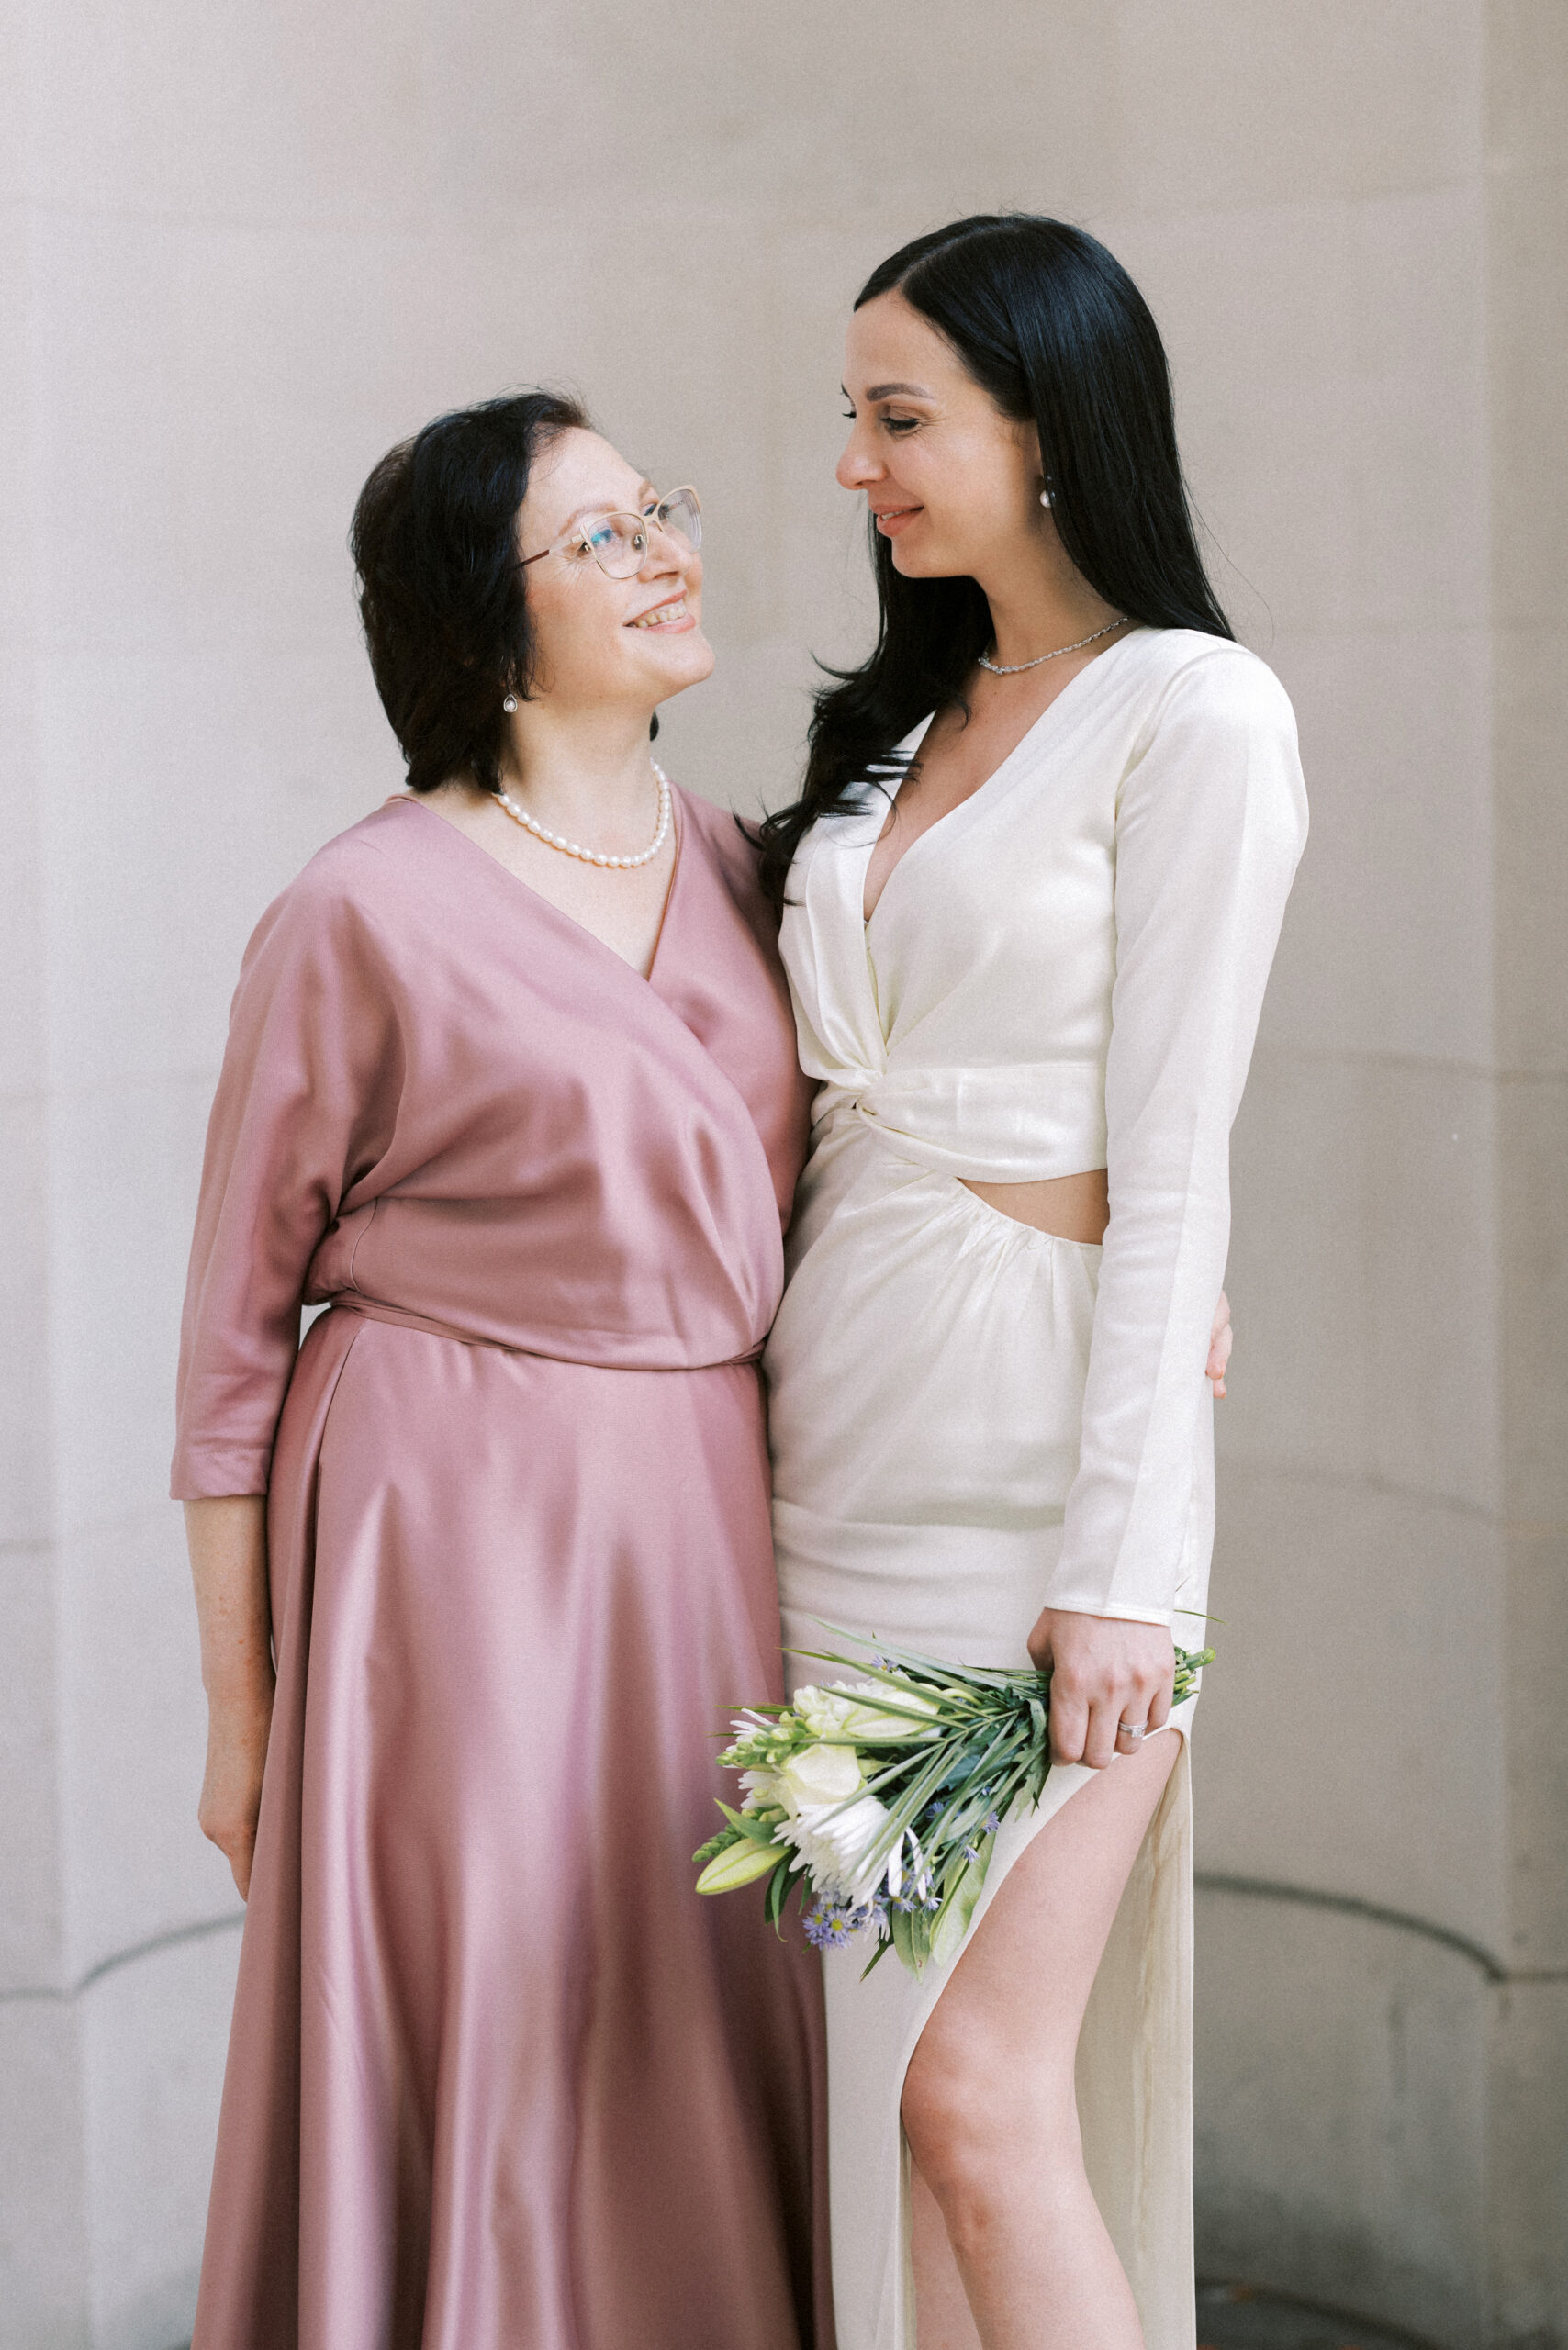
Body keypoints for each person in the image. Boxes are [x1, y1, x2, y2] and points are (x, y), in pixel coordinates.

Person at [173, 392, 834, 2349]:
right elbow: (226, 1348)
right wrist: (243, 1719)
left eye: (661, 512)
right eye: (604, 536)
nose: (665, 555)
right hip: (440, 1540)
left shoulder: (751, 869)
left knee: (689, 1996)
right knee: (503, 2011)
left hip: (700, 1531)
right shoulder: (355, 907)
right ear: (482, 611)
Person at [759, 216, 1308, 2350]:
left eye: (897, 419)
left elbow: (1174, 1165)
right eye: (851, 420)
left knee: (978, 2096)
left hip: (1040, 1491)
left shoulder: (1193, 710)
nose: (854, 469)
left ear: (1047, 426)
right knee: (883, 2103)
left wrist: (1125, 1566)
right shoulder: (896, 732)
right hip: (834, 1460)